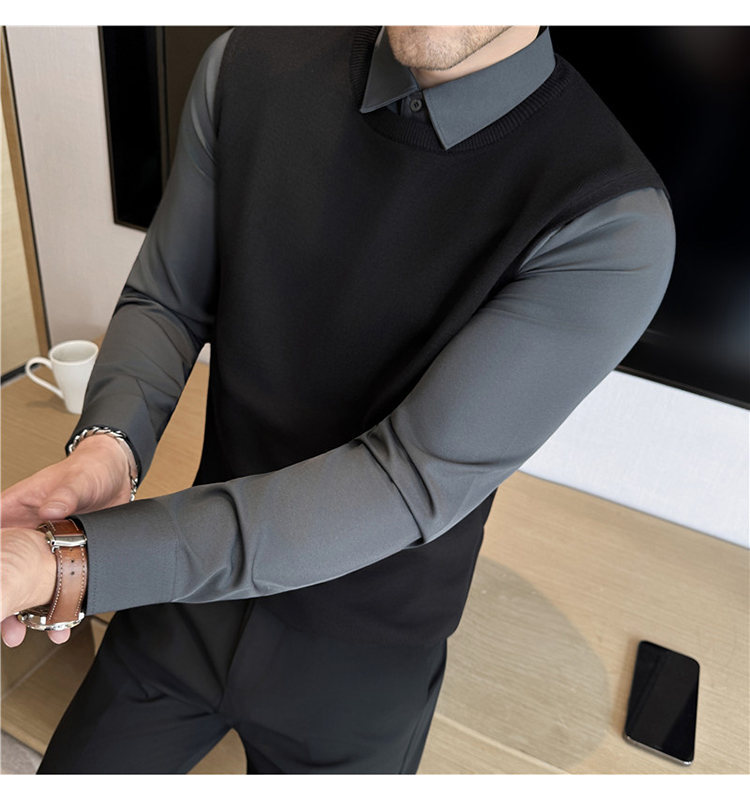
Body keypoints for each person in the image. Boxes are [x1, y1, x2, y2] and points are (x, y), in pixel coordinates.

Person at [0, 25, 675, 773]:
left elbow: (399, 478)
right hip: (182, 592)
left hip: (363, 657)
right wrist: (108, 447)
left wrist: (73, 562)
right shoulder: (246, 63)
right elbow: (167, 300)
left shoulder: (609, 217)